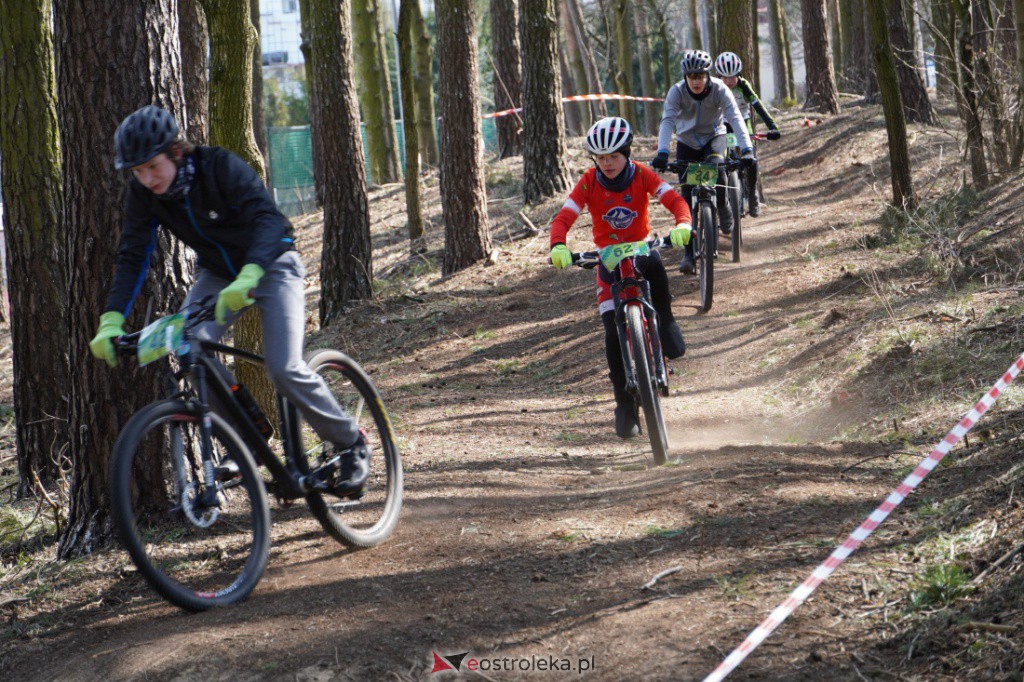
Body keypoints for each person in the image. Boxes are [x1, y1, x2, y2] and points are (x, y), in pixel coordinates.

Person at [88, 105, 369, 497]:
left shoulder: (219, 166)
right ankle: (248, 442)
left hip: (272, 264)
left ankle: (350, 441)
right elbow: (133, 255)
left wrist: (252, 272)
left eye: (152, 166)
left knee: (283, 367)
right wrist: (111, 319)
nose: (146, 178)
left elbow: (268, 219)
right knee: (187, 346)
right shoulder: (144, 194)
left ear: (175, 151)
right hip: (218, 277)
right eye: (137, 171)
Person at [549, 117, 692, 439]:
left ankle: (666, 322)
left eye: (613, 156)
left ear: (626, 153)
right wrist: (558, 245)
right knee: (613, 334)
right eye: (600, 158)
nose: (607, 164)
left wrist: (682, 223)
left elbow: (674, 200)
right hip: (607, 258)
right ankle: (625, 406)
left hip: (641, 249)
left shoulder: (642, 174)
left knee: (656, 268)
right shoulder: (589, 181)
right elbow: (564, 217)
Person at [651, 50, 755, 274]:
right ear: (686, 77)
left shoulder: (719, 89)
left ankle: (723, 207)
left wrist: (746, 149)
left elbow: (735, 118)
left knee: (718, 170)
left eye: (700, 76)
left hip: (713, 138)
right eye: (692, 77)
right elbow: (667, 120)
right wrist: (662, 151)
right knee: (686, 200)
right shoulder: (676, 92)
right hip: (687, 142)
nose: (696, 81)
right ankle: (689, 254)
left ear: (707, 75)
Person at [714, 51, 781, 217]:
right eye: (725, 77)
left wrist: (772, 126)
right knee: (718, 157)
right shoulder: (715, 87)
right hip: (723, 124)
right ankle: (722, 198)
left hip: (743, 122)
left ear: (738, 74)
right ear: (719, 76)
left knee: (750, 157)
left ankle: (752, 193)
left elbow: (758, 106)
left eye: (733, 77)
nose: (729, 81)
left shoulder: (744, 86)